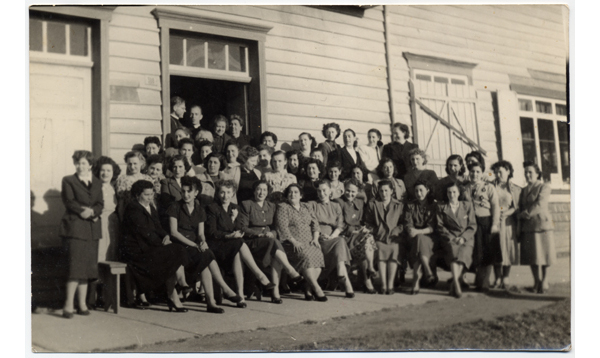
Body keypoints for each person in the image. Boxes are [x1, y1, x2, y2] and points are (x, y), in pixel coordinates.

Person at [167, 176, 243, 313]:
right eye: (183, 191)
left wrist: (202, 242)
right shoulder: (175, 206)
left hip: (193, 246)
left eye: (189, 191)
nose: (185, 194)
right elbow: (174, 233)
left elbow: (201, 233)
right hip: (178, 246)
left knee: (206, 255)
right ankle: (224, 290)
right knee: (205, 258)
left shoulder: (200, 209)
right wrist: (195, 245)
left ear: (196, 193)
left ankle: (211, 302)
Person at [205, 180, 276, 308]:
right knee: (238, 243)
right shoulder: (212, 208)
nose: (225, 196)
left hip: (231, 245)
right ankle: (259, 275)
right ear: (218, 193)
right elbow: (212, 232)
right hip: (216, 245)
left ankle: (240, 295)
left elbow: (239, 229)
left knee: (237, 251)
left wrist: (233, 219)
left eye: (228, 192)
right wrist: (229, 235)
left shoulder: (234, 208)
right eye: (222, 192)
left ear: (232, 194)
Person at [120, 180, 188, 312]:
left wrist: (165, 236)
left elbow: (158, 227)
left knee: (175, 251)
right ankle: (178, 288)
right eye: (146, 195)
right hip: (137, 252)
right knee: (175, 251)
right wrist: (163, 244)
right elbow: (145, 233)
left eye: (151, 194)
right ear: (137, 195)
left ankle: (177, 290)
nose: (150, 197)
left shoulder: (150, 207)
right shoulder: (133, 208)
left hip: (149, 247)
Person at [235, 180, 305, 303]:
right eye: (259, 189)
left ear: (267, 192)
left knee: (274, 245)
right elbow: (243, 228)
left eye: (264, 190)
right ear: (254, 191)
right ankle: (290, 270)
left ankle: (275, 292)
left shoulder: (271, 206)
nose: (261, 192)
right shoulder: (246, 204)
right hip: (252, 242)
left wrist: (272, 233)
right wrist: (261, 234)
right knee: (274, 244)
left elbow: (275, 228)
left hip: (269, 241)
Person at [59, 150, 104, 318]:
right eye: (77, 163)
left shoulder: (97, 183)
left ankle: (83, 304)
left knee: (86, 270)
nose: (80, 166)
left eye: (83, 163)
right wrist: (83, 212)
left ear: (90, 165)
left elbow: (100, 203)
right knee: (74, 269)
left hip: (92, 231)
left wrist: (93, 212)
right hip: (75, 229)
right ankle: (68, 305)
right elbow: (69, 201)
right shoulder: (68, 180)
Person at [275, 184, 327, 301]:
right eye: (290, 192)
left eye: (296, 192)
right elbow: (282, 228)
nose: (293, 194)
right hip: (291, 242)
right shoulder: (283, 207)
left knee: (318, 255)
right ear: (287, 195)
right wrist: (294, 241)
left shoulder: (307, 206)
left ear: (301, 195)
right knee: (306, 257)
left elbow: (315, 224)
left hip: (309, 241)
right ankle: (317, 288)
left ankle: (308, 289)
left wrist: (315, 238)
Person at [307, 180, 355, 298]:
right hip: (316, 238)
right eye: (319, 191)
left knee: (340, 240)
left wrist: (332, 236)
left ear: (330, 191)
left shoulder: (335, 206)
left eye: (324, 190)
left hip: (332, 238)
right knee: (341, 242)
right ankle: (345, 282)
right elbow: (311, 222)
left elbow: (340, 225)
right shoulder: (312, 204)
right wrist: (318, 235)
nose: (322, 193)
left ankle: (340, 272)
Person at [518, 161, 555, 294]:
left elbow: (540, 204)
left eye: (530, 172)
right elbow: (520, 206)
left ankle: (544, 281)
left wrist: (525, 214)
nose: (528, 175)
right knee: (532, 256)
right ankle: (536, 281)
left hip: (542, 225)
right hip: (528, 227)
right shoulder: (523, 190)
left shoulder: (544, 187)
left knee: (544, 254)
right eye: (526, 173)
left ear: (537, 174)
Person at [334, 178, 377, 294]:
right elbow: (339, 224)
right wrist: (354, 231)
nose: (350, 194)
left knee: (368, 238)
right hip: (344, 237)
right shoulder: (338, 202)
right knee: (365, 243)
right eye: (348, 190)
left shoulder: (359, 203)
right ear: (344, 189)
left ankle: (370, 270)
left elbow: (363, 221)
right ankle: (368, 277)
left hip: (357, 236)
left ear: (357, 192)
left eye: (353, 192)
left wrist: (364, 228)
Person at [436, 181, 477, 298]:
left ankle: (453, 284)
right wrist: (452, 238)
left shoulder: (467, 205)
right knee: (454, 253)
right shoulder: (442, 207)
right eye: (449, 192)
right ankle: (457, 285)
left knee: (463, 254)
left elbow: (472, 225)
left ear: (459, 193)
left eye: (454, 192)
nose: (452, 195)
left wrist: (463, 238)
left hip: (466, 238)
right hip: (450, 237)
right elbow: (440, 226)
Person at [363, 180, 404, 295]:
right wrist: (377, 231)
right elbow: (368, 223)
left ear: (391, 191)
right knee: (381, 251)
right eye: (381, 191)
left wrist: (396, 231)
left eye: (386, 190)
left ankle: (390, 285)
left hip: (394, 237)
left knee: (394, 252)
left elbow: (402, 223)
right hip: (379, 237)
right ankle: (383, 285)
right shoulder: (373, 204)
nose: (384, 193)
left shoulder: (399, 205)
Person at [465, 161, 500, 292]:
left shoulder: (489, 187)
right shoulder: (466, 188)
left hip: (486, 222)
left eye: (478, 172)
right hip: (472, 223)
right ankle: (479, 280)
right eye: (472, 171)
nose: (475, 174)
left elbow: (496, 206)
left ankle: (484, 282)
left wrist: (495, 224)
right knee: (477, 252)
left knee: (488, 253)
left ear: (482, 173)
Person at [491, 160, 522, 291]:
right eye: (496, 172)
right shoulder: (491, 186)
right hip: (495, 222)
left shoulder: (514, 188)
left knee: (507, 249)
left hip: (508, 222)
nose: (498, 174)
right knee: (496, 248)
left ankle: (506, 277)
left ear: (508, 171)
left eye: (501, 172)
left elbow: (518, 206)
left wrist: (508, 212)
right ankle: (498, 277)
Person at [403, 180, 437, 295]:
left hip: (429, 237)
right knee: (418, 240)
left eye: (421, 190)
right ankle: (427, 271)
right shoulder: (410, 205)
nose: (419, 193)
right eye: (416, 191)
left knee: (420, 239)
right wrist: (411, 230)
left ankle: (416, 280)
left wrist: (419, 231)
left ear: (427, 190)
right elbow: (408, 223)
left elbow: (432, 226)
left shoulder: (433, 206)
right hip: (413, 237)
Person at [93, 156, 121, 263]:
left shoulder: (115, 188)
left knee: (113, 249)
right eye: (102, 170)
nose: (105, 173)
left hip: (113, 223)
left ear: (113, 172)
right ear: (98, 172)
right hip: (100, 222)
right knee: (101, 250)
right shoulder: (95, 188)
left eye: (109, 170)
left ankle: (111, 279)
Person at [115, 151, 152, 221]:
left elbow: (152, 201)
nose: (132, 167)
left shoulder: (147, 179)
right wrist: (121, 220)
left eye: (135, 163)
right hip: (130, 216)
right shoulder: (122, 180)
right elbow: (121, 203)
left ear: (141, 163)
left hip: (147, 215)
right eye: (129, 164)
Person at [159, 155, 192, 224]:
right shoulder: (166, 182)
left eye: (180, 167)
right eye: (175, 167)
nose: (177, 170)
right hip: (175, 218)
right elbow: (166, 201)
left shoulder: (191, 182)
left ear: (185, 168)